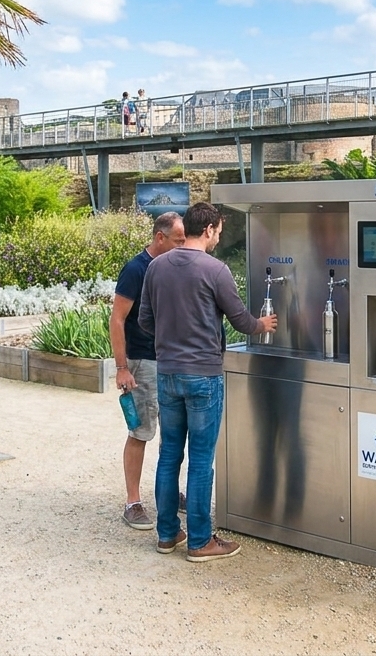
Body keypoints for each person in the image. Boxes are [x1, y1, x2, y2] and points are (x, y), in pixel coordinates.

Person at [138, 202, 277, 562]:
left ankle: (167, 534)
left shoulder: (156, 267)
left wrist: (170, 340)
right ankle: (201, 541)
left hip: (167, 373)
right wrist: (263, 325)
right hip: (203, 376)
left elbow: (144, 320)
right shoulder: (215, 270)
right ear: (211, 229)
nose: (218, 237)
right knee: (201, 460)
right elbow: (241, 321)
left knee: (169, 455)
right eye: (218, 231)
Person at [111, 212, 186, 530]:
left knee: (172, 432)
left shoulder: (172, 266)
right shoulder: (135, 269)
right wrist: (122, 368)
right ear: (160, 237)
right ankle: (133, 502)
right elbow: (116, 319)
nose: (183, 245)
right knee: (141, 432)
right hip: (142, 362)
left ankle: (168, 493)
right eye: (178, 240)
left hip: (169, 359)